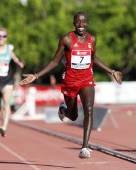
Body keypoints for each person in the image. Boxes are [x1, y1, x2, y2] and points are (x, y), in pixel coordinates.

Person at [20, 12, 122, 158]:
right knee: (73, 116)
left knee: (89, 110)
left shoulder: (92, 39)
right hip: (70, 81)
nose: (81, 25)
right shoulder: (66, 39)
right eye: (78, 22)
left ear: (87, 23)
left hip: (86, 79)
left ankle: (85, 147)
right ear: (73, 23)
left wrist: (111, 71)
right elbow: (55, 61)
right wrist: (36, 76)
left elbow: (93, 58)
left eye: (84, 22)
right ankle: (63, 110)